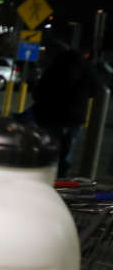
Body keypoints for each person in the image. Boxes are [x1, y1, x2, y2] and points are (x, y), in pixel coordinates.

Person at [32, 40, 100, 177]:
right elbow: (95, 89)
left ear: (54, 53)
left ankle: (50, 178)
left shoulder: (56, 67)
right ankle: (62, 180)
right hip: (75, 117)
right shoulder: (84, 65)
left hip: (52, 116)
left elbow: (43, 92)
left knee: (50, 151)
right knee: (66, 152)